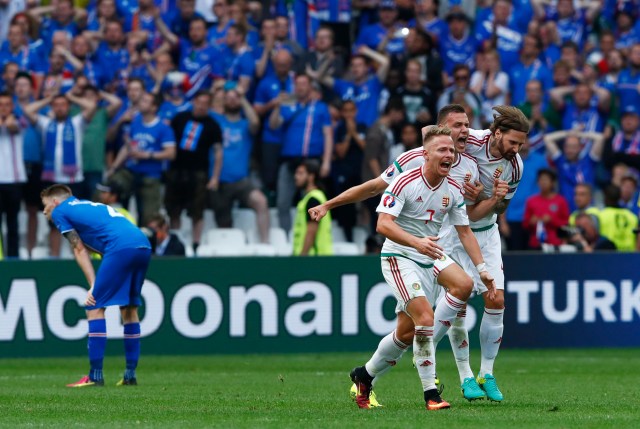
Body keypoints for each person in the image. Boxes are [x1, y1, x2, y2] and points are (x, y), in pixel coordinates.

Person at [349, 126, 495, 411]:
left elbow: (465, 232)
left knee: (409, 330)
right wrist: (417, 242)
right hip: (399, 256)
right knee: (425, 319)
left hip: (429, 256)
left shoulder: (453, 189)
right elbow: (383, 225)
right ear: (425, 155)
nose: (449, 155)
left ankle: (364, 375)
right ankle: (431, 394)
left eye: (451, 150)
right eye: (442, 150)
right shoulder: (404, 182)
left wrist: (482, 267)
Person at [41, 184, 151, 387]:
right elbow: (98, 246)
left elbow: (79, 249)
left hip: (120, 247)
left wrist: (93, 284)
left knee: (94, 307)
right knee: (129, 309)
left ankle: (95, 376)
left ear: (55, 201)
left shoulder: (61, 211)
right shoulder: (85, 207)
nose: (44, 210)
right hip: (142, 244)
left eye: (45, 205)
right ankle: (130, 375)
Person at [269, 73, 333, 232]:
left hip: (311, 161)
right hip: (289, 160)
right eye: (297, 84)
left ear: (310, 86)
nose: (300, 87)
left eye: (304, 83)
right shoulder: (288, 105)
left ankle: (310, 234)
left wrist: (326, 162)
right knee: (283, 202)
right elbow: (274, 125)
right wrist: (277, 105)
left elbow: (328, 134)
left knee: (311, 200)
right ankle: (287, 235)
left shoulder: (320, 107)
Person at [108, 92, 176, 226]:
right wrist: (114, 167)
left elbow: (171, 153)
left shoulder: (163, 127)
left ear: (154, 107)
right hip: (131, 170)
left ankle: (147, 242)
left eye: (145, 101)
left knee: (149, 218)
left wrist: (147, 155)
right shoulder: (136, 121)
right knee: (109, 187)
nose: (140, 103)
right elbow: (127, 147)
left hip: (151, 175)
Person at [167, 90, 222, 253]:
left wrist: (215, 177)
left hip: (199, 172)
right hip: (176, 170)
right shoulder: (179, 118)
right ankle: (175, 239)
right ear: (193, 102)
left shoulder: (213, 125)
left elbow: (218, 152)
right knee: (173, 209)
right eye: (199, 102)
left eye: (206, 104)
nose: (202, 107)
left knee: (197, 210)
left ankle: (196, 243)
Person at [543, 130, 605, 212]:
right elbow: (547, 139)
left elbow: (600, 138)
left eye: (574, 147)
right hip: (564, 211)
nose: (570, 150)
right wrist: (568, 133)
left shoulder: (589, 162)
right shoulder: (561, 161)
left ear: (580, 148)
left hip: (586, 212)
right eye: (567, 146)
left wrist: (580, 134)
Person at [0, 92, 25, 258]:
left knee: (13, 224)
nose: (4, 108)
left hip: (14, 181)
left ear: (12, 106)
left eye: (7, 104)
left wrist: (7, 121)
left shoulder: (19, 121)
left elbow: (13, 127)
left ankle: (13, 258)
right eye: (1, 105)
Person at [292, 160, 333, 256]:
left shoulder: (313, 199)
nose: (296, 177)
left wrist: (302, 257)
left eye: (300, 173)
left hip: (314, 258)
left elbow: (311, 231)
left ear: (311, 176)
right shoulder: (314, 197)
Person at [523, 169, 570, 250]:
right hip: (535, 243)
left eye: (546, 180)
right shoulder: (531, 201)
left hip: (555, 243)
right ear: (537, 182)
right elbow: (525, 224)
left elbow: (566, 223)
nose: (543, 183)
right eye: (541, 180)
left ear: (552, 183)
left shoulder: (560, 201)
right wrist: (531, 222)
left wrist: (552, 220)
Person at [599, 185, 639, 251]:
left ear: (605, 198)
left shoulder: (601, 215)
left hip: (610, 255)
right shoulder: (632, 216)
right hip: (630, 255)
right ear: (620, 197)